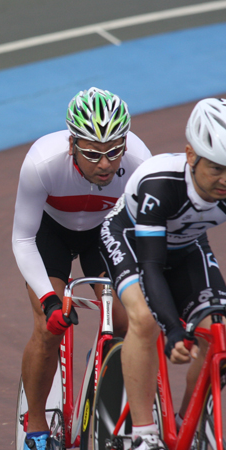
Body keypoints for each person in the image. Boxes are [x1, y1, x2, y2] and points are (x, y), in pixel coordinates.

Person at [12, 87, 152, 450]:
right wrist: (48, 301)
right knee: (48, 328)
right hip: (50, 234)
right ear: (72, 143)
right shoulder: (42, 162)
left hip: (104, 234)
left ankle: (104, 368)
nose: (105, 164)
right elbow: (23, 239)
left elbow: (142, 240)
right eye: (92, 153)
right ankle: (37, 426)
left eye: (113, 151)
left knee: (125, 322)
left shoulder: (139, 163)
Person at [98, 98, 226, 449]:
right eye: (216, 168)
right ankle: (144, 434)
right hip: (130, 239)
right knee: (143, 319)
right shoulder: (161, 183)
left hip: (187, 246)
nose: (224, 180)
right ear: (191, 155)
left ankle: (189, 424)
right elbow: (152, 267)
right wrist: (172, 329)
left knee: (218, 332)